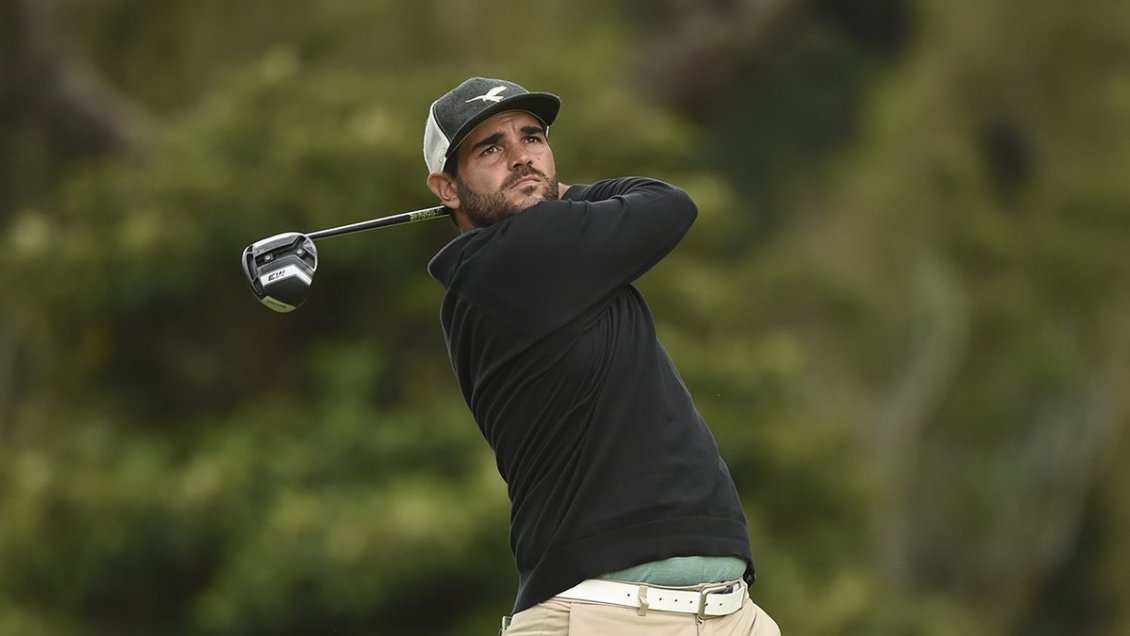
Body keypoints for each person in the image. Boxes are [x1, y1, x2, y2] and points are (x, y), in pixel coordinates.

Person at [423, 77, 781, 636]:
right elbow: (669, 204)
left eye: (532, 138)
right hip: (607, 613)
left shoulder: (541, 258)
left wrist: (548, 194)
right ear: (447, 188)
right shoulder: (514, 260)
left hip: (725, 614)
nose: (521, 158)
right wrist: (560, 190)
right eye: (490, 148)